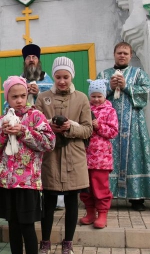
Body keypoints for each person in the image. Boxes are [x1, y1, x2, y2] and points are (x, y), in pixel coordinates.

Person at [0, 76, 55, 254]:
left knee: (27, 226)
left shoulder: (36, 116)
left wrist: (23, 131)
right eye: (14, 97)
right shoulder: (0, 121)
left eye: (23, 95)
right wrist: (3, 134)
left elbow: (49, 143)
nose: (19, 100)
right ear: (7, 98)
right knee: (13, 226)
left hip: (28, 182)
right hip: (7, 183)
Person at [35, 57, 92, 254]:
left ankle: (68, 243)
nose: (61, 81)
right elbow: (37, 126)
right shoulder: (43, 98)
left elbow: (88, 130)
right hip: (50, 157)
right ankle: (45, 242)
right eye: (58, 76)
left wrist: (70, 128)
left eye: (65, 77)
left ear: (71, 76)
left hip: (74, 158)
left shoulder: (82, 98)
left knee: (71, 202)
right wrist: (49, 127)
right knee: (48, 203)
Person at [97, 42, 150, 211]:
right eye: (119, 53)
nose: (122, 55)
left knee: (134, 157)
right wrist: (109, 87)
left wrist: (126, 87)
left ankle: (137, 198)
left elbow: (148, 90)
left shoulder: (138, 74)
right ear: (114, 54)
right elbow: (94, 94)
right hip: (109, 126)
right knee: (107, 160)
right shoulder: (103, 74)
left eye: (125, 53)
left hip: (134, 126)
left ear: (131, 55)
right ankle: (106, 196)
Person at [79, 79, 118, 229]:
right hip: (84, 156)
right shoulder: (84, 109)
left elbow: (113, 132)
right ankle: (90, 213)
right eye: (93, 96)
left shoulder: (110, 111)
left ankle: (102, 213)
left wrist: (98, 126)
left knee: (100, 187)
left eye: (99, 96)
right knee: (86, 187)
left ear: (105, 95)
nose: (96, 99)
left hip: (101, 159)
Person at [3, 44, 53, 112]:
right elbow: (8, 105)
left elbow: (53, 103)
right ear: (24, 61)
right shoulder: (18, 82)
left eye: (34, 57)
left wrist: (38, 94)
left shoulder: (47, 81)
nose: (31, 60)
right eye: (28, 57)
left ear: (38, 61)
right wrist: (23, 92)